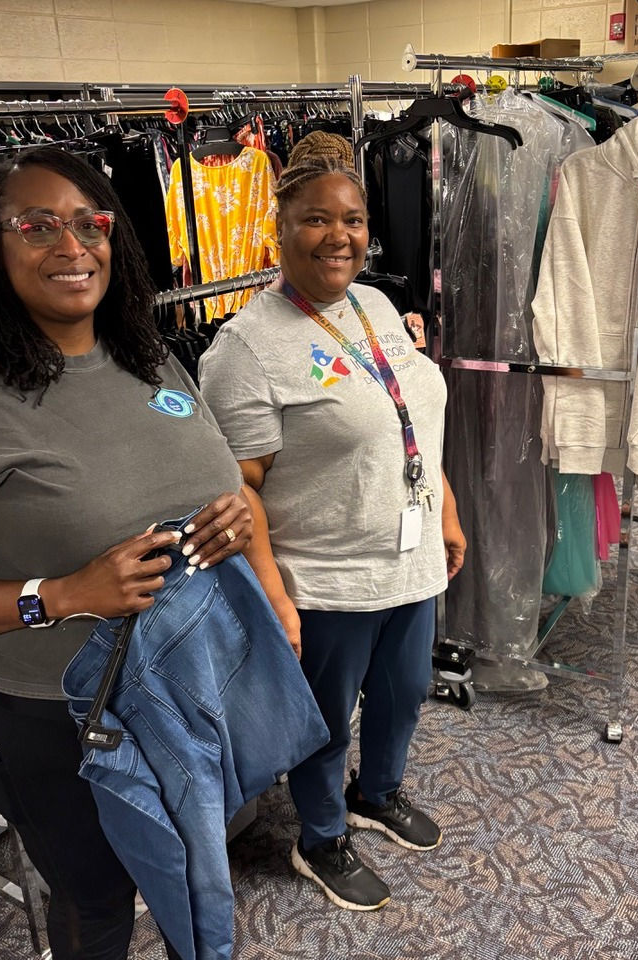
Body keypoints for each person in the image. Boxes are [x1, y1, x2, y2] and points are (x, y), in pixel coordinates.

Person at [0, 146, 284, 960]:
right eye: (36, 226)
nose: (71, 245)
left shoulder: (148, 356)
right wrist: (59, 594)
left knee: (194, 877)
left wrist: (233, 520)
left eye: (90, 223)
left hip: (185, 681)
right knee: (96, 903)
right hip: (50, 717)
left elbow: (211, 478)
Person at [199, 146, 467, 911]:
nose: (337, 235)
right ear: (279, 225)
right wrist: (276, 597)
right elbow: (238, 489)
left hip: (407, 561)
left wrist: (443, 507)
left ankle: (376, 793)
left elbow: (408, 422)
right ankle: (320, 837)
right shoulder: (246, 348)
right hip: (325, 577)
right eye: (316, 218)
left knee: (404, 695)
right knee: (322, 721)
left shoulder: (375, 306)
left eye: (352, 219)